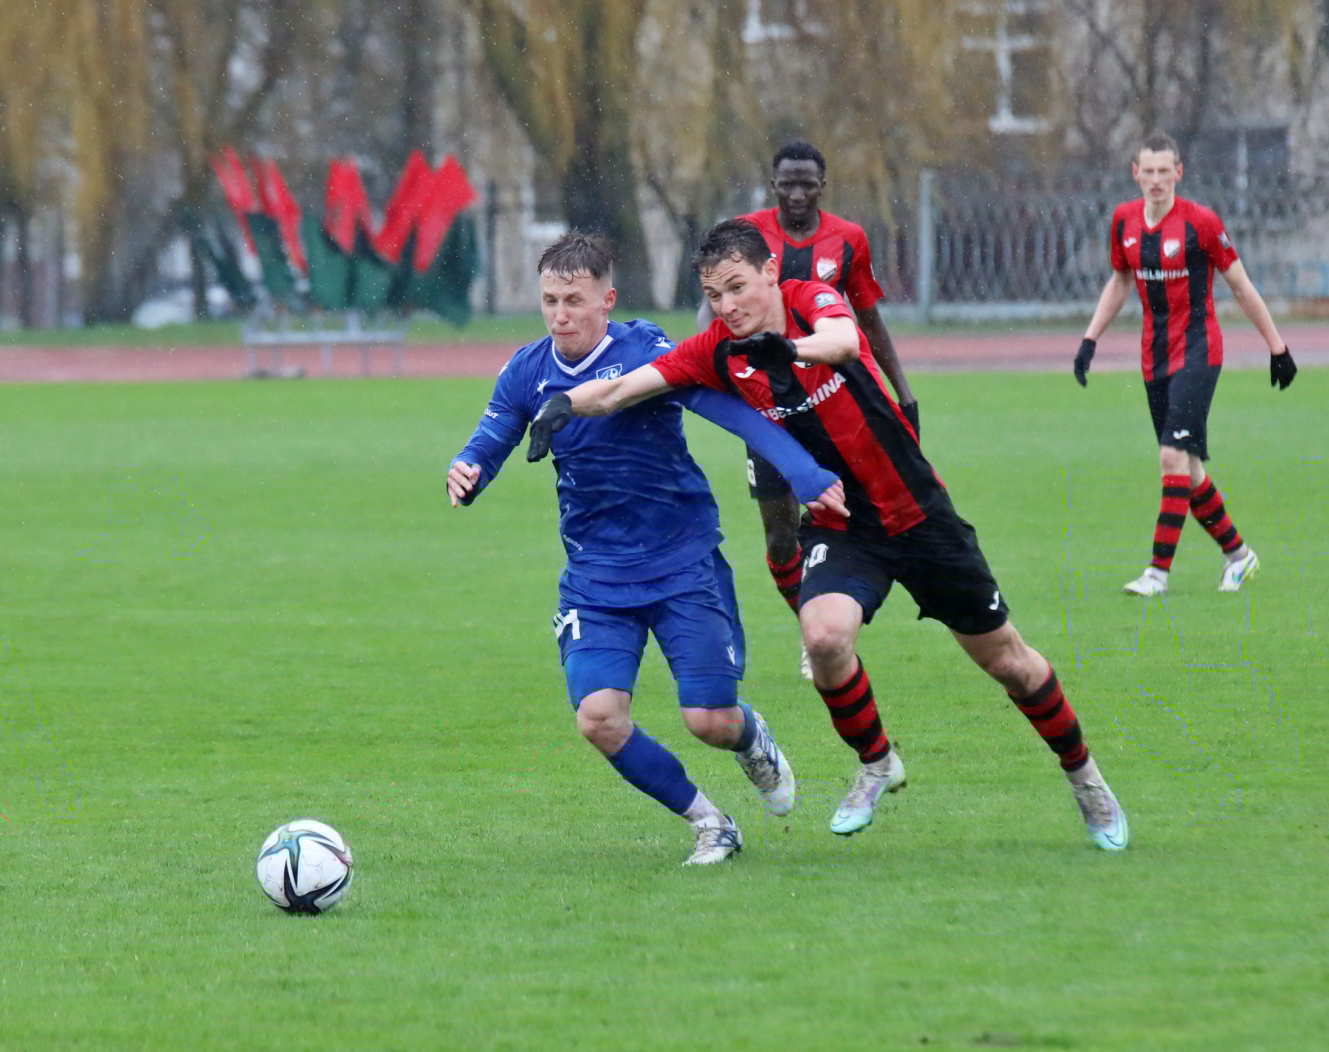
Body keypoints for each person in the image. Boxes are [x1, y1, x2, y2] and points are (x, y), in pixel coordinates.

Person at [531, 220, 1128, 851]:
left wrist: (790, 351)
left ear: (770, 273)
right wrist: (563, 405)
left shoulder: (810, 300)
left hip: (920, 516)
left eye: (738, 287)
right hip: (844, 524)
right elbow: (623, 388)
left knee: (1009, 662)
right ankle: (876, 761)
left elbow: (843, 340)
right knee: (822, 637)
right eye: (714, 294)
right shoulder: (717, 350)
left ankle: (1085, 778)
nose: (728, 305)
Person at [447, 231, 847, 866]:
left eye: (574, 301)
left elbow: (729, 411)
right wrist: (469, 468)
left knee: (709, 721)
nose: (560, 316)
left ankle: (749, 739)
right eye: (550, 301)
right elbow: (494, 432)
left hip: (683, 562)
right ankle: (710, 823)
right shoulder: (528, 369)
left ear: (607, 301)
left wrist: (802, 473)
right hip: (596, 576)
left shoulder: (646, 352)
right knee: (599, 718)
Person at [701, 140, 918, 678]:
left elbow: (868, 320)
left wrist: (904, 393)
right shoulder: (745, 235)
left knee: (838, 522)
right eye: (787, 184)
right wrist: (708, 372)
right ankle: (810, 624)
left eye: (807, 184)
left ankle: (825, 630)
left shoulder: (848, 240)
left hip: (830, 411)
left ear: (823, 186)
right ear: (772, 186)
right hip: (767, 413)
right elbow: (715, 315)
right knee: (780, 537)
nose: (797, 194)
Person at [1075, 130, 1297, 597]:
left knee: (1171, 456)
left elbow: (1240, 285)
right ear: (1136, 174)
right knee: (1188, 468)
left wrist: (1277, 347)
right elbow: (1120, 281)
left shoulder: (1201, 223)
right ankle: (1238, 555)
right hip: (1153, 358)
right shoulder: (1123, 221)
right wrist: (1090, 339)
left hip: (1199, 351)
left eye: (1164, 171)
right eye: (1148, 171)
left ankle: (1157, 573)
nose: (1156, 179)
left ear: (1179, 173)